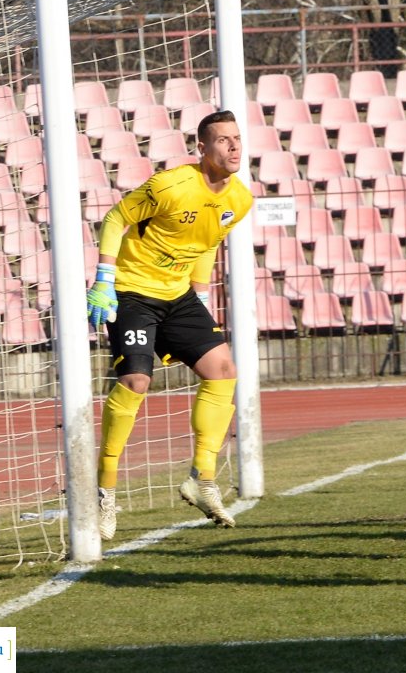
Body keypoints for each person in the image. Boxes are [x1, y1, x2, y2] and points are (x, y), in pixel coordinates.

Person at [88, 109, 253, 538]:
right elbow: (114, 218)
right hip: (131, 291)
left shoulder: (240, 200)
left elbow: (206, 243)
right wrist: (104, 279)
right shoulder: (170, 185)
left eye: (237, 138)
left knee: (223, 371)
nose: (234, 146)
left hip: (178, 295)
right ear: (203, 147)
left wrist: (199, 294)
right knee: (136, 382)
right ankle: (103, 492)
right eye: (223, 140)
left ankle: (202, 479)